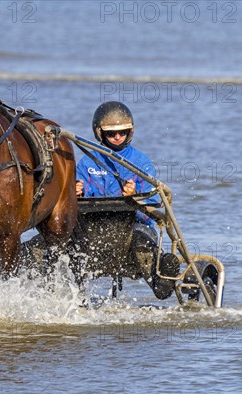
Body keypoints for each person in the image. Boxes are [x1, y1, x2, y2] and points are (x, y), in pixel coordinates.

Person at [75, 101, 179, 299]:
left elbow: (150, 213)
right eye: (111, 133)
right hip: (93, 232)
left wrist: (134, 198)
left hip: (133, 230)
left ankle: (161, 283)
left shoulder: (141, 163)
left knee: (142, 241)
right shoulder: (86, 162)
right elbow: (75, 208)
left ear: (130, 132)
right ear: (99, 133)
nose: (117, 137)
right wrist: (75, 193)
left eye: (122, 132)